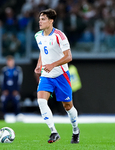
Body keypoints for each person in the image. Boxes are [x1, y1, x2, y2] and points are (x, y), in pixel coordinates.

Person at [34, 8, 80, 144]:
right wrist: (39, 64)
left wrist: (53, 64)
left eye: (43, 19)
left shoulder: (60, 36)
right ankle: (54, 131)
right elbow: (43, 52)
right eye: (39, 19)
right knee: (41, 101)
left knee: (68, 106)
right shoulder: (38, 36)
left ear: (51, 21)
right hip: (46, 75)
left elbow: (69, 56)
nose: (40, 21)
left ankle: (75, 130)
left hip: (61, 75)